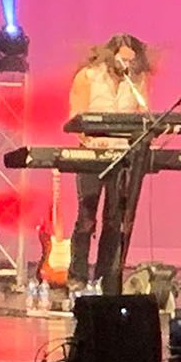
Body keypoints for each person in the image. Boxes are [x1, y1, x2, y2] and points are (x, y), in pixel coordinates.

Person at [66, 33, 151, 293]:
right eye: (122, 59)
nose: (126, 65)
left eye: (131, 61)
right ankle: (77, 276)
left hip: (121, 155)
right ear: (110, 54)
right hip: (91, 153)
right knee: (86, 218)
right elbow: (75, 117)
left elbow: (143, 116)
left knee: (114, 219)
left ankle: (105, 277)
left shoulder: (137, 80)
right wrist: (92, 139)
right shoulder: (88, 76)